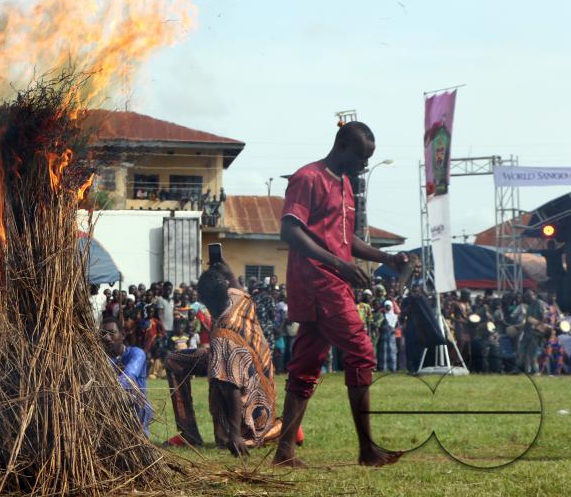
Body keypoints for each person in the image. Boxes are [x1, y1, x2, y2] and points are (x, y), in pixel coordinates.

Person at [272, 122, 411, 469]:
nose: (365, 164)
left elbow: (346, 242)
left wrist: (387, 257)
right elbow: (290, 230)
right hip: (318, 282)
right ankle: (367, 450)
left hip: (332, 280)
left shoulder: (346, 185)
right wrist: (339, 264)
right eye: (362, 157)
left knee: (305, 366)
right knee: (362, 353)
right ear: (342, 146)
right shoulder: (308, 178)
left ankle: (284, 452)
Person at [163, 262, 281, 453]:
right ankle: (188, 433)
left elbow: (230, 388)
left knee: (221, 381)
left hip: (253, 406)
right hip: (252, 374)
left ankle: (274, 430)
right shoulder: (240, 298)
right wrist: (227, 270)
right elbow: (234, 282)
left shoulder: (222, 338)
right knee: (174, 360)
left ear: (201, 298)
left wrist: (234, 435)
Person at [99, 316, 151, 435]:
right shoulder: (103, 359)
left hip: (135, 410)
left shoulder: (137, 354)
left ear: (122, 335)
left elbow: (128, 377)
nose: (107, 338)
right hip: (109, 410)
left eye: (112, 333)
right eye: (103, 334)